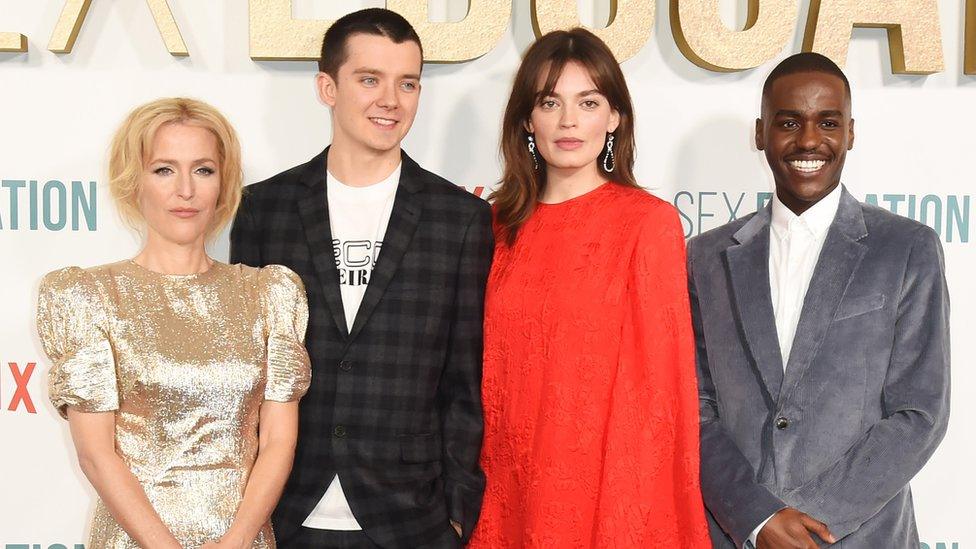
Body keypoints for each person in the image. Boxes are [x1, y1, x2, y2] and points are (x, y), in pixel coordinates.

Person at [230, 8, 492, 549]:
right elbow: (246, 371)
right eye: (369, 79)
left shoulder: (459, 218)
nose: (390, 100)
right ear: (328, 86)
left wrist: (458, 511)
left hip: (411, 518)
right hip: (285, 509)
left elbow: (464, 380)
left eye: (408, 83)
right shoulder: (266, 209)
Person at [689, 52, 950, 548]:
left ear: (850, 133)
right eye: (789, 123)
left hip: (864, 536)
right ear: (760, 133)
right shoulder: (706, 257)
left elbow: (920, 413)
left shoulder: (906, 248)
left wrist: (808, 519)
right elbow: (694, 410)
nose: (809, 141)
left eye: (827, 123)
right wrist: (759, 518)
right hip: (738, 535)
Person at [470, 28, 711, 548]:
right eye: (549, 102)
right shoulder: (493, 227)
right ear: (527, 120)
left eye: (589, 101)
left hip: (601, 499)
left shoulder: (648, 225)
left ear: (615, 116)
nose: (569, 121)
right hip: (500, 493)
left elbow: (659, 398)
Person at [35, 97, 311, 548]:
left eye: (203, 170)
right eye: (164, 169)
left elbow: (279, 441)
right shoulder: (89, 296)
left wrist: (238, 540)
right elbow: (97, 454)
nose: (186, 190)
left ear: (224, 184)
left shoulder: (269, 295)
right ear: (134, 183)